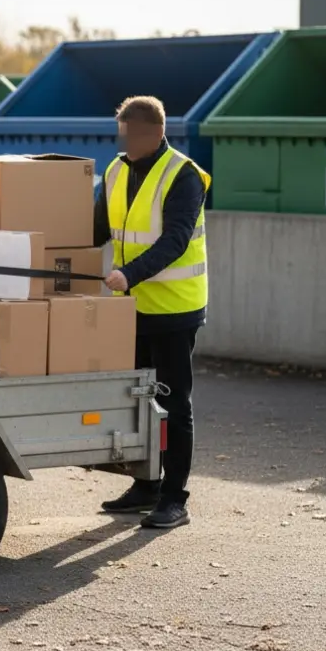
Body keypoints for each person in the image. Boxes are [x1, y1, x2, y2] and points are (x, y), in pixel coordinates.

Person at [94, 95, 209, 529]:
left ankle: (175, 498)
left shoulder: (184, 175)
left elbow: (176, 240)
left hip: (175, 310)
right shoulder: (115, 169)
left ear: (156, 132)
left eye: (132, 133)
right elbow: (96, 226)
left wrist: (129, 273)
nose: (125, 141)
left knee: (173, 402)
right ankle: (146, 485)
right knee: (138, 401)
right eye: (122, 133)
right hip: (133, 308)